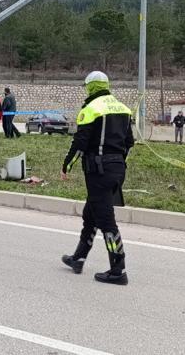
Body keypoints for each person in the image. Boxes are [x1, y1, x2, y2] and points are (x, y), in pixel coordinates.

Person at [60, 71, 134, 285]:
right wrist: (117, 161)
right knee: (90, 214)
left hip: (98, 170)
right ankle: (78, 258)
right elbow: (129, 142)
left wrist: (67, 165)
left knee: (106, 222)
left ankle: (118, 270)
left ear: (90, 87)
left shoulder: (91, 109)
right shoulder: (123, 108)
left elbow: (80, 143)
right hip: (117, 167)